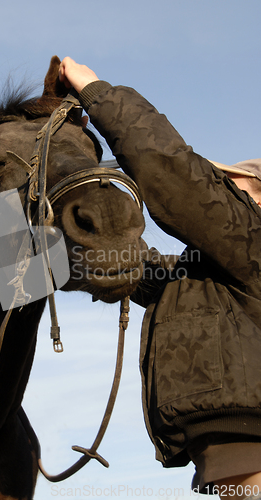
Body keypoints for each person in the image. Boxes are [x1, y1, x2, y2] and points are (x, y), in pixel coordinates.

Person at [59, 57, 261, 500]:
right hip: (234, 467)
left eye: (235, 185)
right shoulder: (206, 280)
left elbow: (180, 181)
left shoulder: (254, 242)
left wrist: (97, 93)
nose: (224, 189)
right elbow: (130, 265)